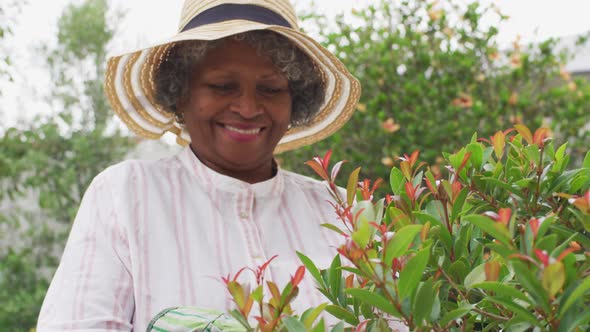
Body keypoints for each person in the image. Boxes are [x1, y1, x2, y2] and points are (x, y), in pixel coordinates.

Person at [37, 0, 361, 331]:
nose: (248, 108)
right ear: (180, 92)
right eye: (222, 86)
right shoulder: (125, 196)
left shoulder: (341, 212)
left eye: (271, 88)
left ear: (295, 102)